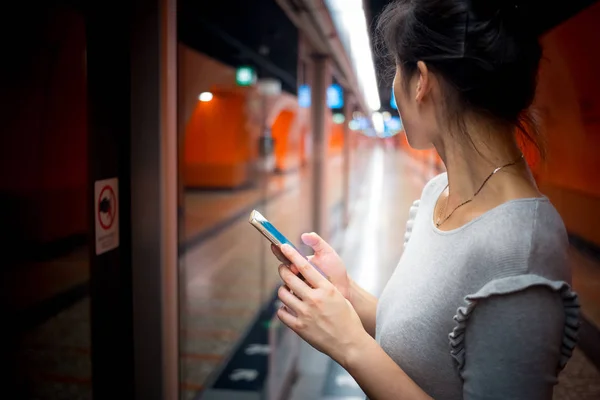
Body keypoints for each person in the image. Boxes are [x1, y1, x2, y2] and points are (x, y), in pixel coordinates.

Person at [272, 0, 580, 399]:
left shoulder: (521, 253)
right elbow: (424, 337)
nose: (395, 91)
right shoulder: (439, 193)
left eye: (396, 73)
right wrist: (346, 294)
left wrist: (350, 344)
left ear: (421, 80)